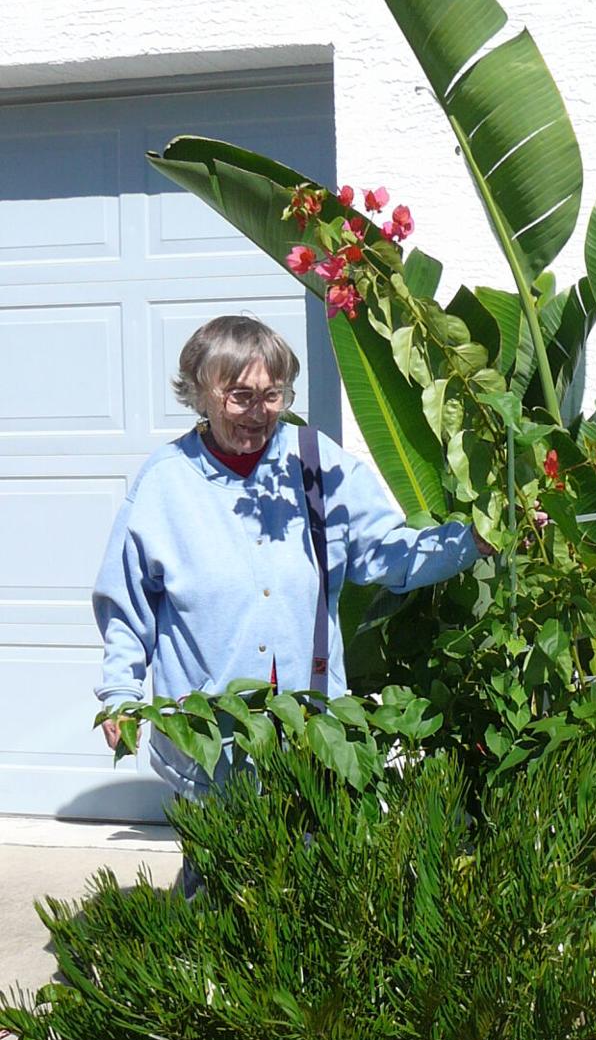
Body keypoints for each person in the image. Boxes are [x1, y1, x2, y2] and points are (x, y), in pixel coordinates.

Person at [94, 314, 491, 799]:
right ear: (201, 394)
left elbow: (387, 553)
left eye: (272, 394)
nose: (258, 412)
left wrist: (473, 540)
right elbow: (127, 607)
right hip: (207, 742)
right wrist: (120, 695)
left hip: (311, 735)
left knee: (314, 871)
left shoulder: (314, 462)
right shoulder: (164, 483)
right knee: (217, 870)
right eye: (240, 395)